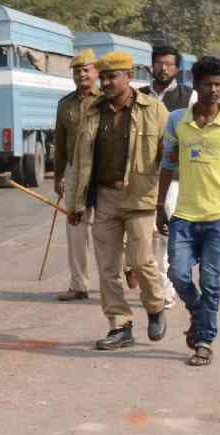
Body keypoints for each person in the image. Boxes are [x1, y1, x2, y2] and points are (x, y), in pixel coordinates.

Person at [69, 51, 169, 351]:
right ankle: (120, 325)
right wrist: (75, 204)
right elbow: (79, 160)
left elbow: (169, 156)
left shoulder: (154, 109)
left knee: (141, 262)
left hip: (140, 196)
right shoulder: (92, 112)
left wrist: (165, 199)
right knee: (107, 268)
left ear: (129, 76)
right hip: (104, 198)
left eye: (114, 76)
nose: (108, 82)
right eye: (105, 77)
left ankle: (154, 306)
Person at [157, 56, 220, 367]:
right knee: (177, 274)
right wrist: (160, 205)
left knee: (211, 280)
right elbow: (168, 164)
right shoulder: (176, 121)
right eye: (208, 85)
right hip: (184, 215)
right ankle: (199, 312)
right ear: (195, 86)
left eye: (218, 85)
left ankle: (204, 341)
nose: (214, 90)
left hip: (218, 218)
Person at [140, 44, 195, 309]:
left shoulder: (189, 97)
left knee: (165, 231)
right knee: (147, 234)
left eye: (169, 64)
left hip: (174, 177)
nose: (164, 68)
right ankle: (155, 283)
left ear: (177, 69)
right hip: (142, 176)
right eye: (159, 63)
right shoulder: (139, 96)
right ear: (151, 65)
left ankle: (167, 288)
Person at [51, 48, 98, 302]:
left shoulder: (105, 100)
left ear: (96, 72)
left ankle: (119, 273)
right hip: (73, 172)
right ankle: (79, 284)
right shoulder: (65, 105)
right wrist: (59, 176)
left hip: (101, 173)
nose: (81, 74)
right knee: (75, 228)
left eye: (86, 69)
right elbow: (60, 145)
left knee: (107, 228)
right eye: (77, 70)